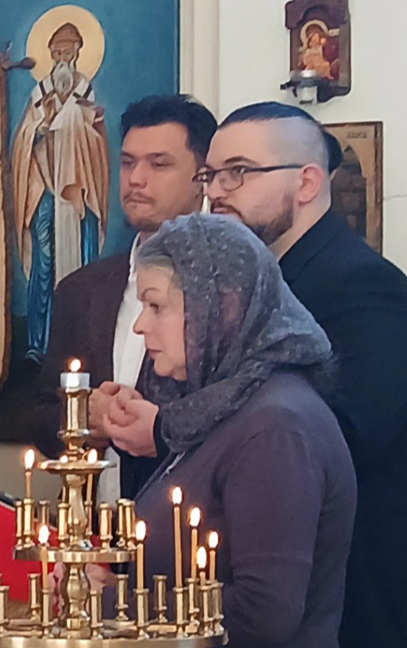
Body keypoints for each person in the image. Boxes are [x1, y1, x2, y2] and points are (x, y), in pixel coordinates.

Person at [201, 101, 407, 648]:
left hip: (353, 596)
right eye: (211, 174)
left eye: (238, 172)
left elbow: (346, 432)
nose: (217, 191)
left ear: (308, 182)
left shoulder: (362, 287)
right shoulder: (263, 286)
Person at [129, 214, 355, 648]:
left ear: (224, 306)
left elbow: (264, 614)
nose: (141, 325)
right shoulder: (222, 406)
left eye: (156, 306)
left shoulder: (276, 427)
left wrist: (111, 602)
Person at [35, 95, 216, 502]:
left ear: (202, 177)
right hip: (95, 533)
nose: (136, 179)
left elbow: (242, 417)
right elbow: (43, 417)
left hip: (189, 531)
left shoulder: (229, 289)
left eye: (159, 163)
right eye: (129, 162)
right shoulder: (81, 290)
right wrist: (84, 419)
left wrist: (160, 429)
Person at [12, 21, 110, 360]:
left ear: (78, 54)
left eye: (68, 52)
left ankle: (83, 339)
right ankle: (39, 342)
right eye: (57, 53)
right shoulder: (40, 94)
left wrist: (79, 124)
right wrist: (40, 128)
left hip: (77, 195)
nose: (62, 59)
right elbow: (24, 138)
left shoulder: (86, 93)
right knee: (44, 262)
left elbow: (97, 145)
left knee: (81, 265)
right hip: (46, 190)